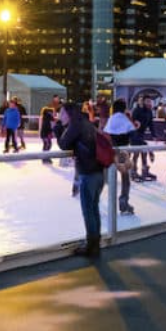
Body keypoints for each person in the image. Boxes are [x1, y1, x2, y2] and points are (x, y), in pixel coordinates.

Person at [58, 99, 105, 258]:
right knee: (94, 208)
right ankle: (95, 244)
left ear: (69, 113)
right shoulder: (87, 122)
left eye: (62, 113)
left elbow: (64, 144)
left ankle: (91, 246)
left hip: (88, 172)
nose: (59, 115)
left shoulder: (76, 124)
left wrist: (58, 128)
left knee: (88, 211)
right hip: (98, 172)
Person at [103, 99, 138, 215]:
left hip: (109, 152)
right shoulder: (124, 119)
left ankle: (95, 199)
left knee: (105, 178)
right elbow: (134, 136)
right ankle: (123, 201)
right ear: (124, 108)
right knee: (125, 178)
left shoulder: (111, 119)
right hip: (122, 152)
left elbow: (104, 135)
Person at [131, 97, 156, 181]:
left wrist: (154, 135)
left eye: (150, 101)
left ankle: (144, 170)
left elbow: (151, 124)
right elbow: (132, 121)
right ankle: (133, 171)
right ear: (143, 102)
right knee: (136, 153)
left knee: (144, 151)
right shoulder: (137, 110)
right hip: (134, 134)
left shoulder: (149, 112)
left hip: (141, 134)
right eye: (147, 101)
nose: (149, 103)